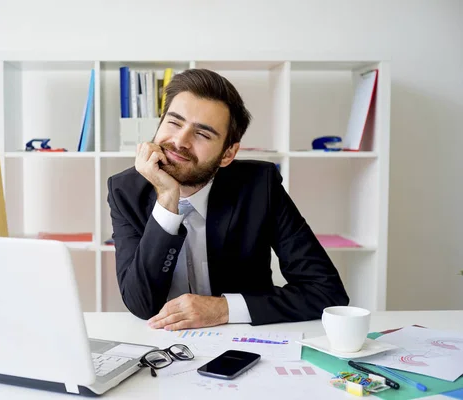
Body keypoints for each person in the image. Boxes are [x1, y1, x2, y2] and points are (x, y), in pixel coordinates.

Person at [106, 68, 349, 330]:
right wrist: (167, 199)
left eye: (202, 134)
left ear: (227, 154)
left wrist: (223, 309)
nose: (180, 141)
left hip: (243, 340)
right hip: (165, 342)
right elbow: (141, 304)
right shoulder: (125, 190)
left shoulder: (259, 185)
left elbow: (326, 291)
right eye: (174, 123)